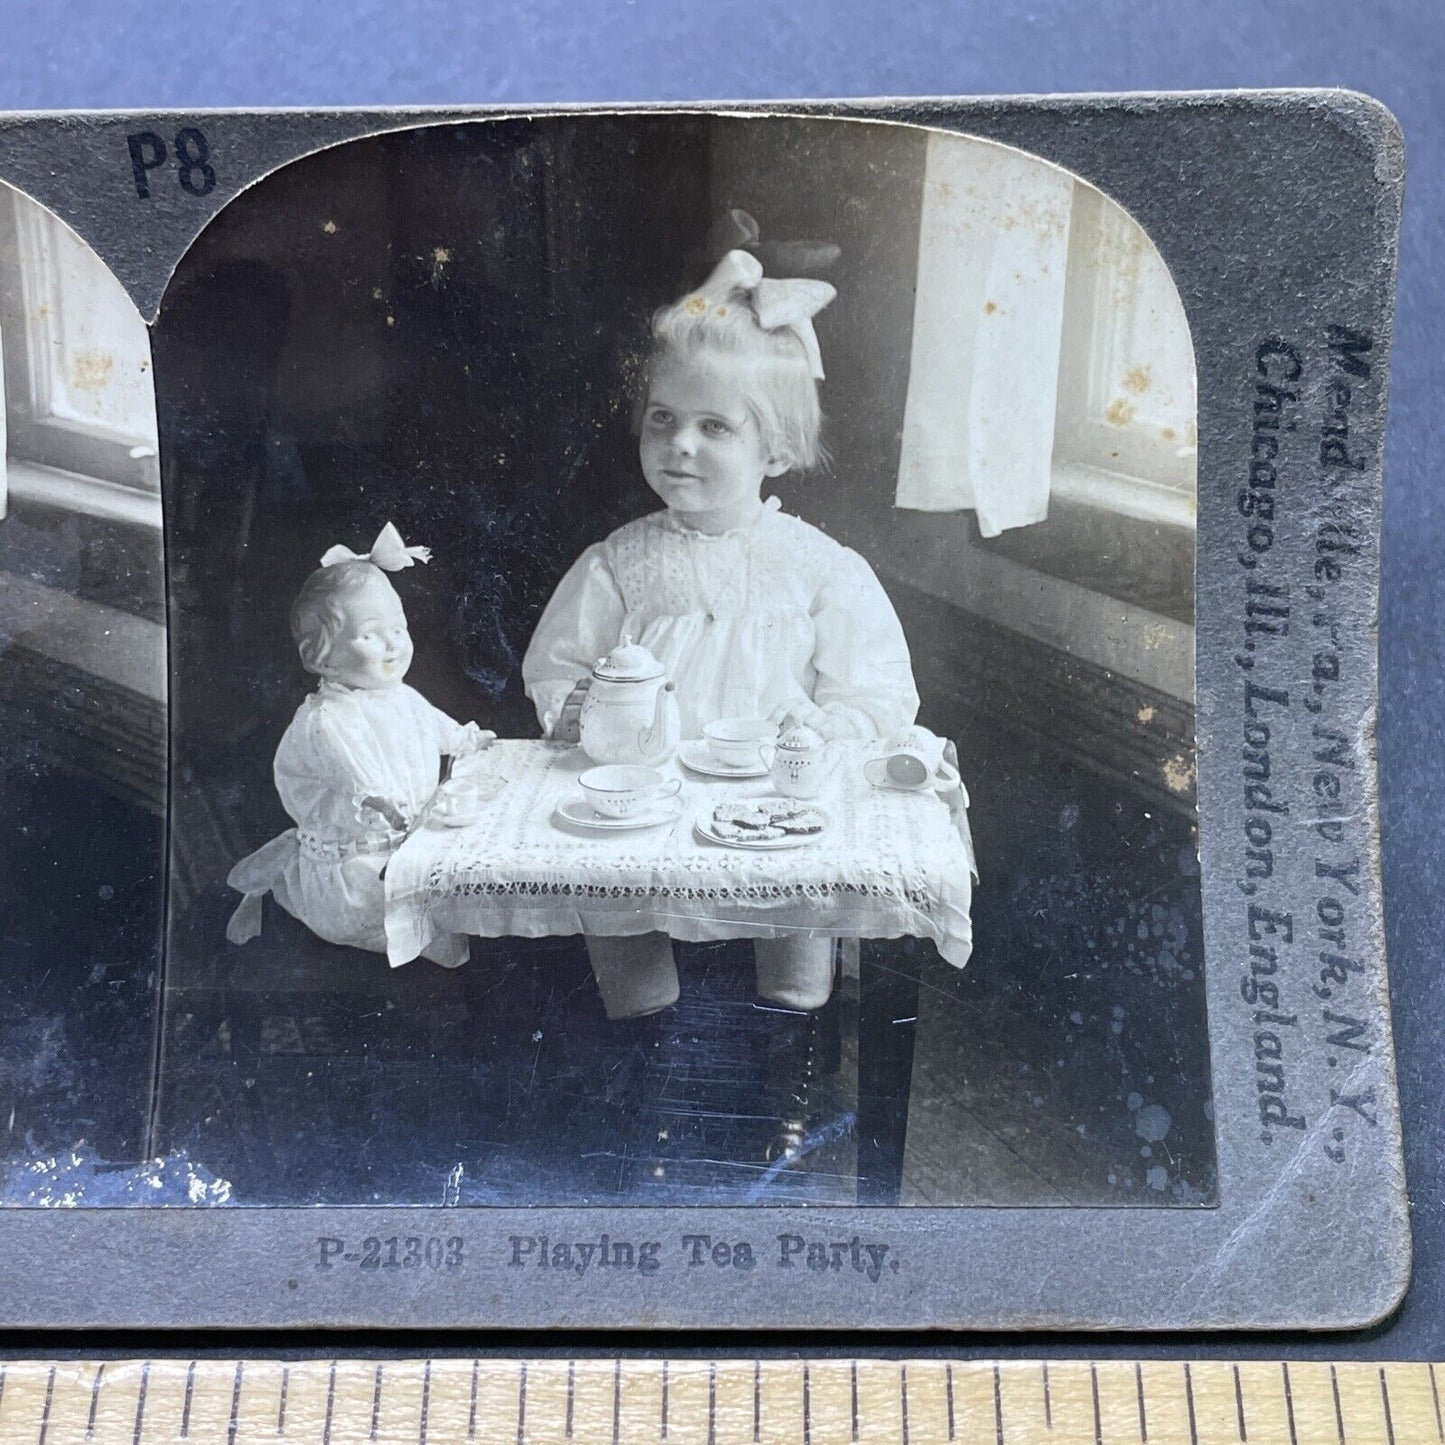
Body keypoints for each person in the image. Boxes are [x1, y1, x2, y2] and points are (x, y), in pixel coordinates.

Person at [523, 251, 920, 1018]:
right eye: (662, 419)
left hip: (772, 806)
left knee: (797, 921)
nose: (680, 444)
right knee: (616, 905)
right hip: (645, 802)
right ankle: (648, 1064)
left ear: (773, 448)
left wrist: (821, 725)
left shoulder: (815, 567)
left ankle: (786, 1058)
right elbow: (560, 664)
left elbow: (875, 692)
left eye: (714, 426)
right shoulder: (620, 563)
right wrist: (573, 709)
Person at [227, 523, 495, 965]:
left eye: (398, 627)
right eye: (370, 634)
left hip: (403, 850)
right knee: (455, 906)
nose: (393, 644)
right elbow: (360, 781)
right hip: (354, 874)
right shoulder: (327, 722)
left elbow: (437, 727)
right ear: (320, 658)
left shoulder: (399, 697)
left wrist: (468, 741)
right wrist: (383, 803)